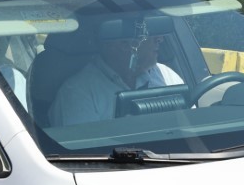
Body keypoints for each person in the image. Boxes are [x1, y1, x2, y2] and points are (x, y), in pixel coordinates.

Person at [50, 20, 182, 125]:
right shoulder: (78, 92)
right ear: (124, 43)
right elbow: (86, 155)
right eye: (148, 31)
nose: (160, 38)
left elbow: (191, 131)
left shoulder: (167, 75)